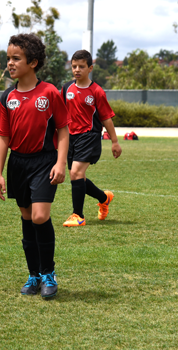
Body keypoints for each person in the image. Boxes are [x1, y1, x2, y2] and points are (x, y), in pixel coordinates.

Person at [0, 33, 70, 299]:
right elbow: (3, 137)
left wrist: (61, 163)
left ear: (33, 62)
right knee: (27, 218)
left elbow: (63, 129)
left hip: (44, 162)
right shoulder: (7, 97)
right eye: (8, 58)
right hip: (18, 163)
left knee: (40, 216)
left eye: (16, 58)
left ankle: (48, 273)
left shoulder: (49, 92)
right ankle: (34, 275)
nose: (10, 63)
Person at [61, 50, 122, 227]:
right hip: (71, 138)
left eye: (81, 66)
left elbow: (106, 118)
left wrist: (115, 141)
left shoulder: (96, 91)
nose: (77, 70)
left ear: (90, 68)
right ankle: (104, 198)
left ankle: (77, 216)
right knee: (77, 177)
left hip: (89, 136)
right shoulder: (66, 88)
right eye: (74, 66)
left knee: (75, 173)